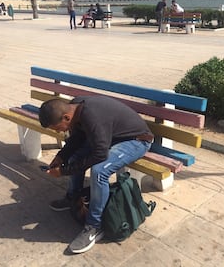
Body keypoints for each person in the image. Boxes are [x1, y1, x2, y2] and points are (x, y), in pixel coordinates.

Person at [38, 96, 153, 254]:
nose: (58, 131)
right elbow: (78, 138)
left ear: (66, 117)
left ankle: (94, 226)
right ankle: (72, 198)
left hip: (136, 140)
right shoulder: (74, 107)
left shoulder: (92, 116)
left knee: (100, 171)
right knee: (73, 158)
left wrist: (64, 172)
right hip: (110, 137)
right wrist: (61, 156)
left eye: (57, 128)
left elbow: (99, 155)